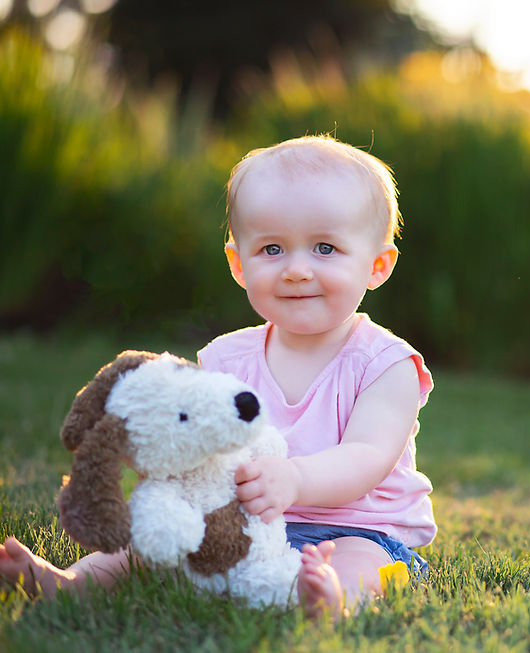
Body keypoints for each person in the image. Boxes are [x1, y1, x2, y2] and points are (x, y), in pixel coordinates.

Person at [0, 135, 436, 620]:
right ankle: (72, 582)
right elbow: (192, 440)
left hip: (358, 529)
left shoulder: (385, 362)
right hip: (239, 522)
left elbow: (368, 456)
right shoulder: (226, 358)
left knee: (361, 564)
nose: (295, 269)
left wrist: (295, 479)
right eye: (272, 248)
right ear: (238, 263)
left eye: (325, 248)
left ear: (377, 265)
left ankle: (329, 598)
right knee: (148, 542)